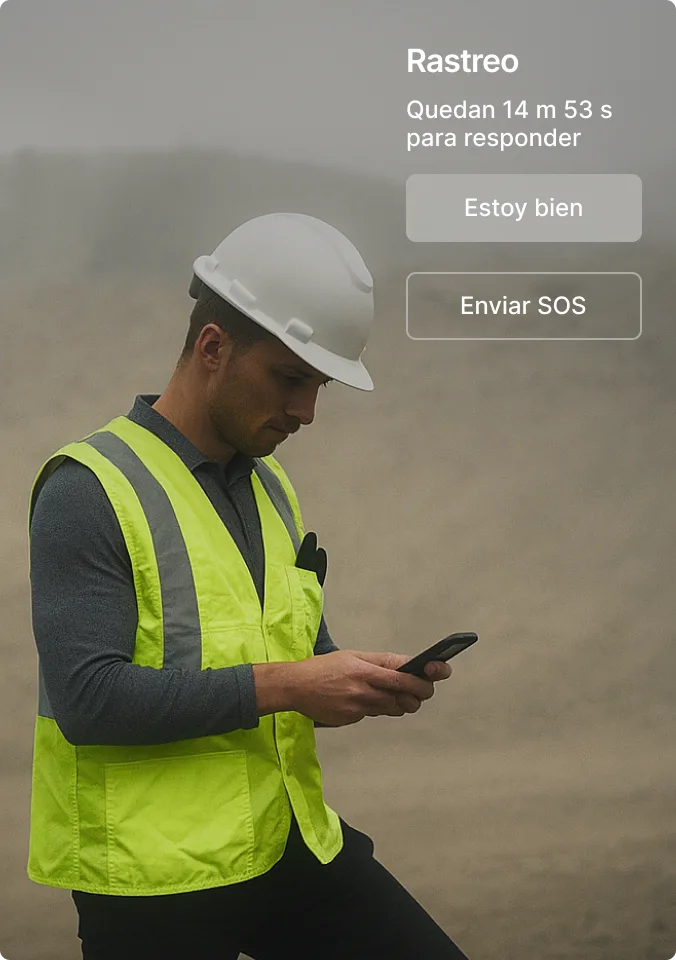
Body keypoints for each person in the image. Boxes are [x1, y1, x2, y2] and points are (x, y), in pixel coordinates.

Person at [27, 213, 470, 959]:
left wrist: (357, 681)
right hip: (152, 887)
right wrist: (294, 685)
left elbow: (298, 657)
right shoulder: (87, 489)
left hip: (285, 844)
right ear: (212, 347)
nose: (307, 412)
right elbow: (89, 700)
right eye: (291, 379)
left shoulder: (271, 491)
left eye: (319, 385)